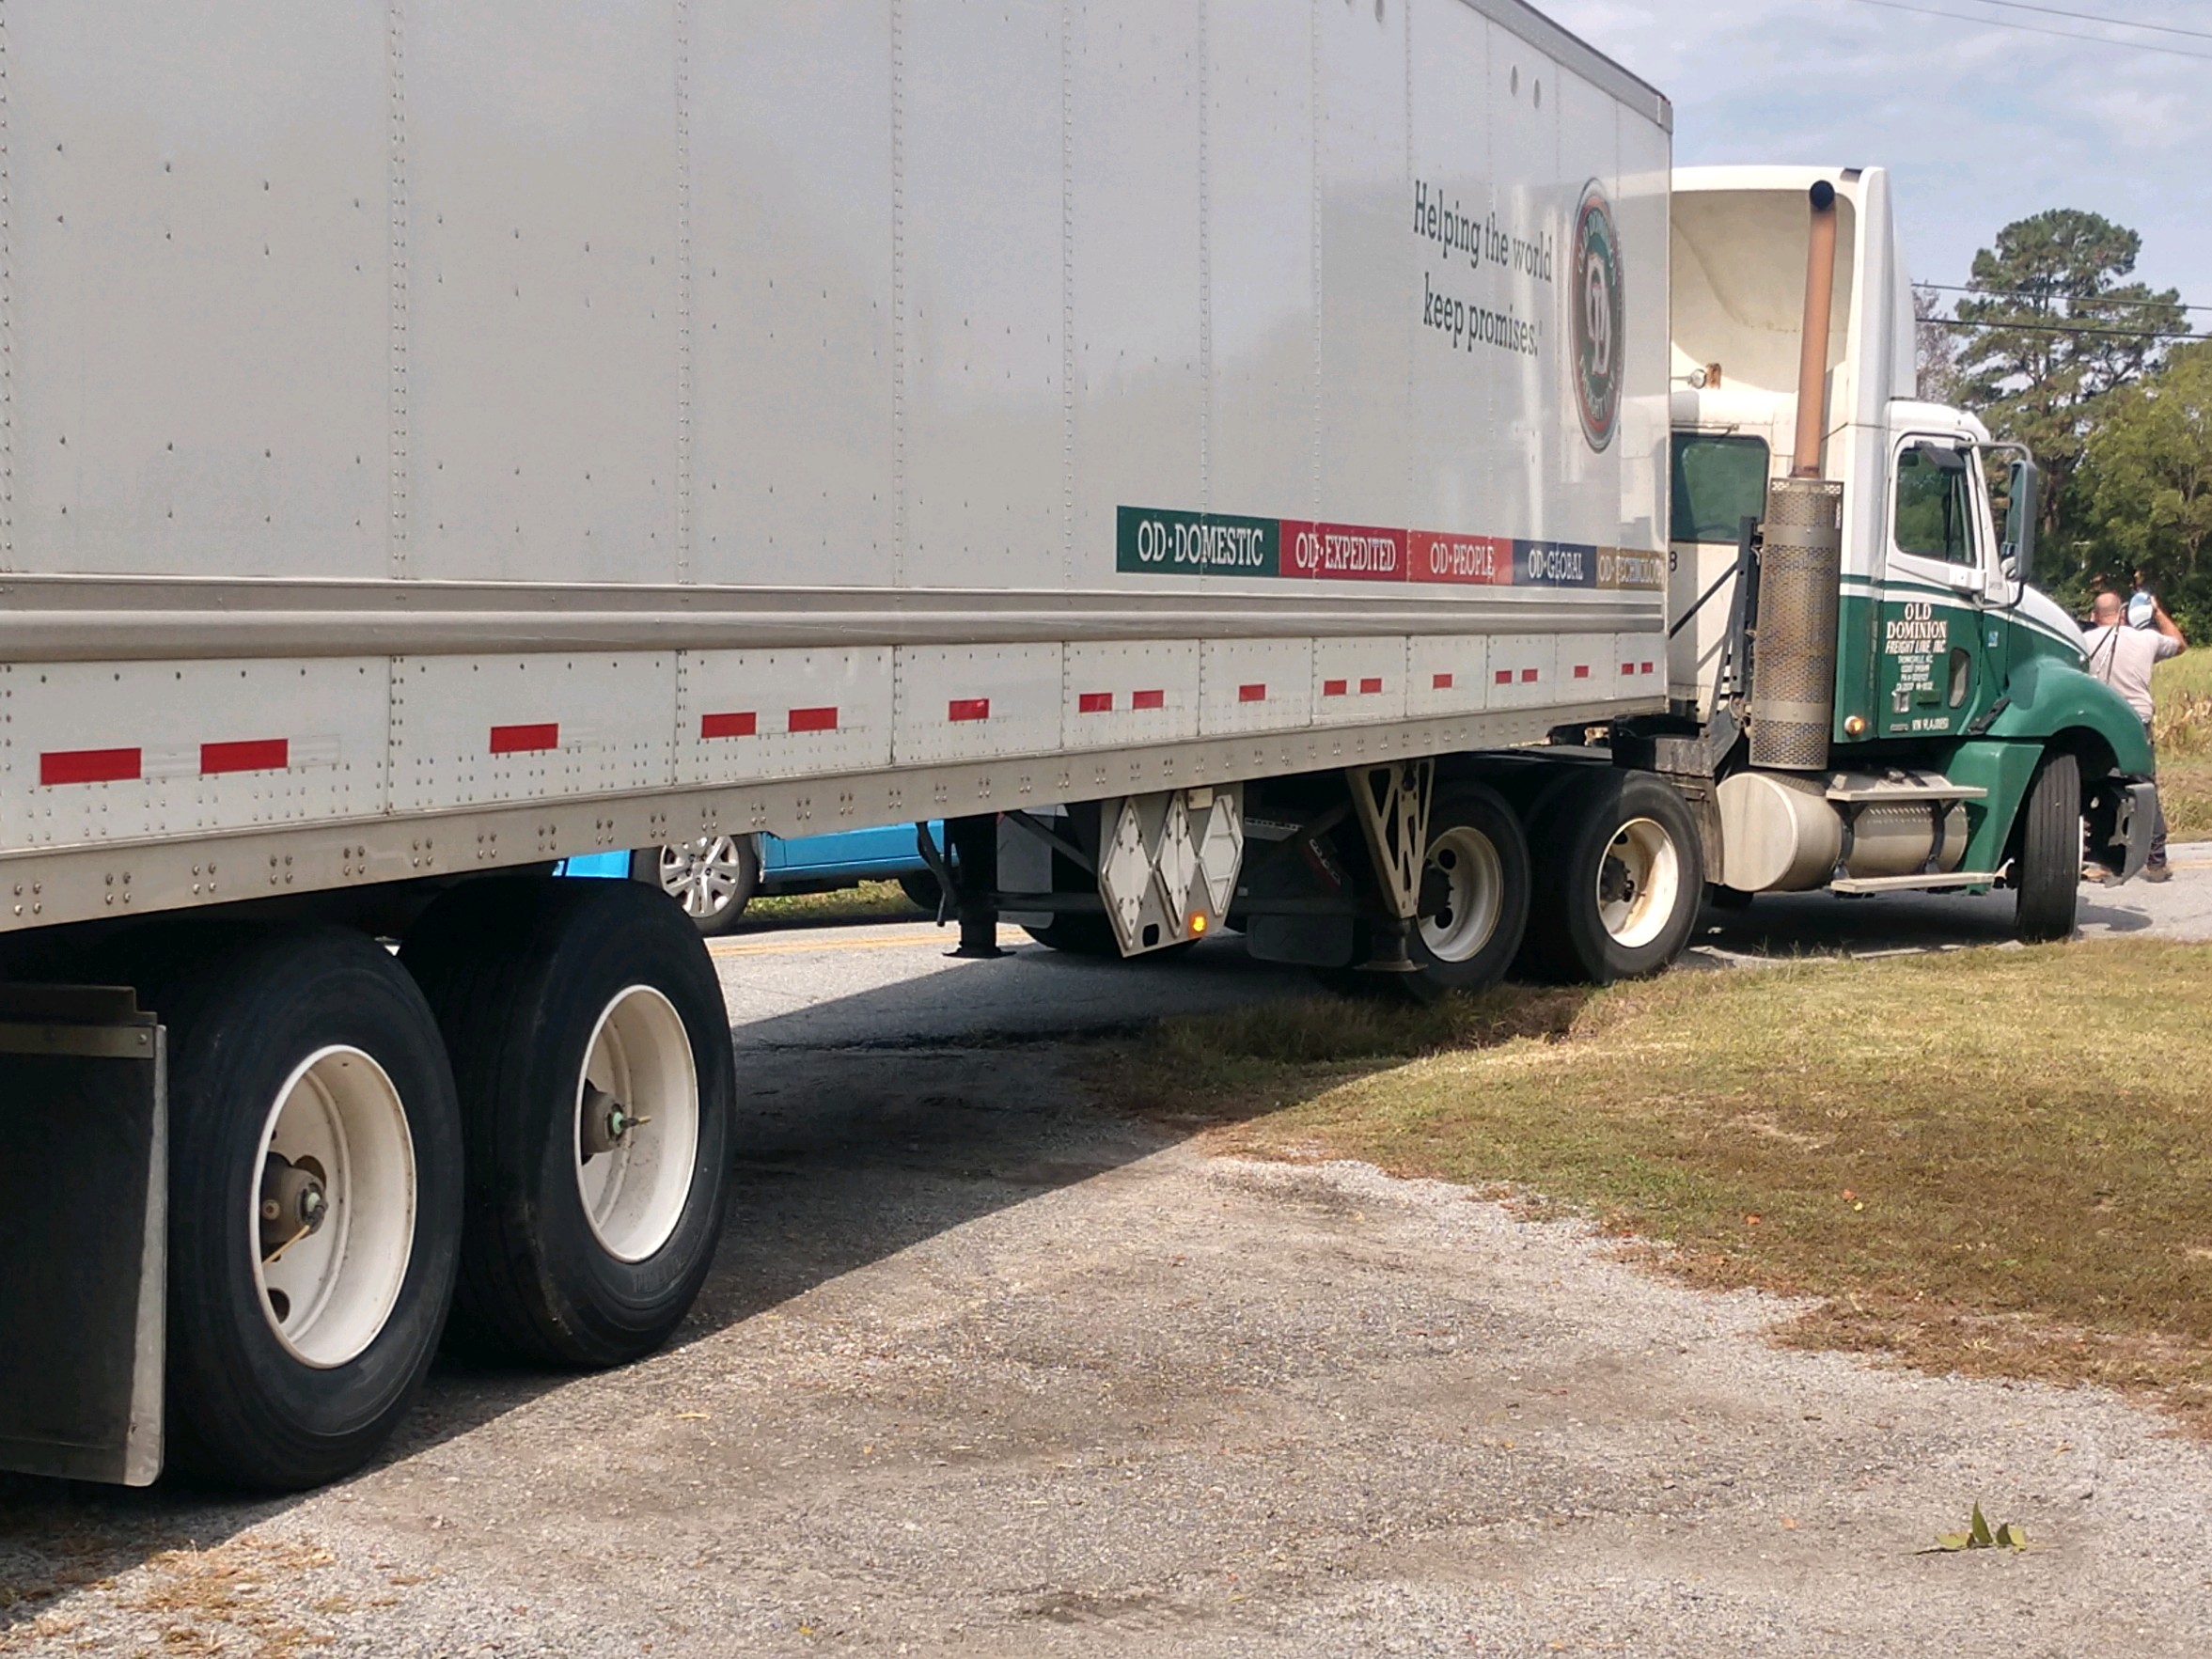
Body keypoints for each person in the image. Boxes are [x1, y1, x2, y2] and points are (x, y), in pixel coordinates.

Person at [2082, 588, 2185, 882]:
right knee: (2144, 789)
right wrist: (2157, 611)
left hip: (2100, 726)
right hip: (2136, 722)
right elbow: (2179, 644)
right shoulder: (2147, 639)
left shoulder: (2083, 641)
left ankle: (2099, 857)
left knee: (2096, 787)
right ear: (2123, 614)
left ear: (2094, 616)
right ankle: (2156, 861)